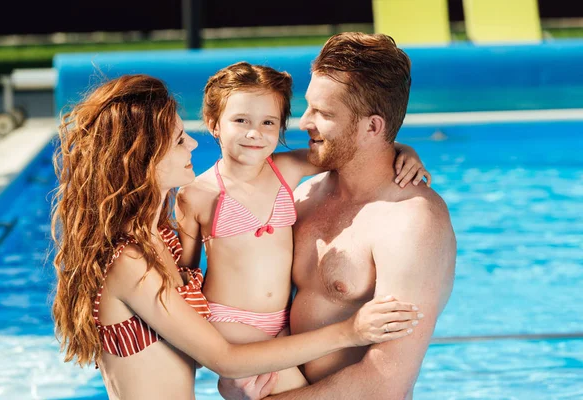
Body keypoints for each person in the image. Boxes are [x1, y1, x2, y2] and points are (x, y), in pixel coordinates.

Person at [50, 73, 424, 399]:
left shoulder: (160, 238)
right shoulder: (131, 260)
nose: (193, 144)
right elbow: (222, 356)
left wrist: (400, 150)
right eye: (180, 140)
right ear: (143, 156)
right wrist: (351, 332)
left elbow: (340, 152)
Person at [218, 32, 457, 400]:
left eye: (324, 114)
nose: (304, 123)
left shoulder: (412, 223)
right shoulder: (303, 195)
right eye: (309, 107)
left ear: (373, 127)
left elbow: (384, 385)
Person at [176, 61, 432, 394]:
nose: (255, 133)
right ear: (213, 124)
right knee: (297, 390)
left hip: (281, 324)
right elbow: (186, 271)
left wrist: (403, 150)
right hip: (231, 324)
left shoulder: (286, 170)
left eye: (268, 122)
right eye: (240, 121)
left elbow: (352, 149)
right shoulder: (197, 194)